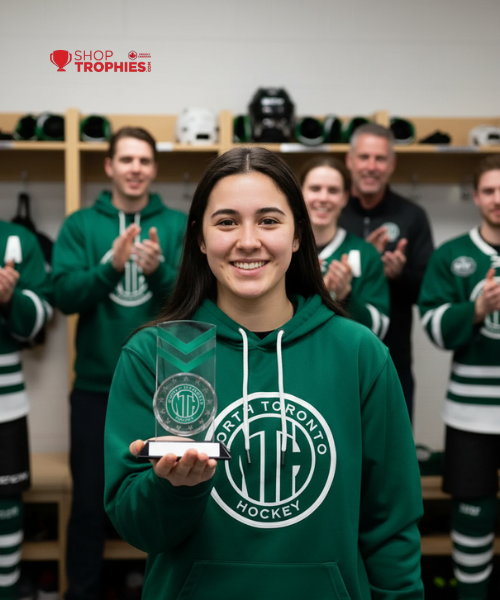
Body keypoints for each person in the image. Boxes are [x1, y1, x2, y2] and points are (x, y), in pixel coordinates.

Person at [104, 147, 423, 600]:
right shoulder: (157, 353)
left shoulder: (359, 354)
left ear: (297, 235)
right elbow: (137, 528)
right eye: (227, 221)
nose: (248, 240)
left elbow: (391, 527)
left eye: (270, 221)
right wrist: (171, 488)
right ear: (199, 237)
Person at [51, 126, 187, 600]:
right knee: (89, 504)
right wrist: (111, 266)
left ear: (154, 169)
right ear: (109, 166)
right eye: (126, 160)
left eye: (144, 161)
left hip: (166, 390)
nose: (135, 169)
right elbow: (63, 296)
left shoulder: (175, 225)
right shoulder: (80, 226)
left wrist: (160, 272)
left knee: (165, 498)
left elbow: (197, 303)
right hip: (95, 388)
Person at [418, 155, 500, 600]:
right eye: (489, 190)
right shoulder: (453, 255)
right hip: (471, 413)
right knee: (473, 511)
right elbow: (432, 325)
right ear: (475, 196)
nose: (497, 199)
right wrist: (477, 310)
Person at [338, 123, 434, 420]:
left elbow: (428, 291)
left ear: (391, 164)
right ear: (350, 161)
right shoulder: (330, 212)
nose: (371, 166)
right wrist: (366, 264)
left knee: (393, 455)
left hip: (392, 358)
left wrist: (398, 274)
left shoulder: (411, 215)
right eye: (364, 157)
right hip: (334, 356)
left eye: (380, 159)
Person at [0, 222, 52, 600]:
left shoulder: (16, 239)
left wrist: (10, 297)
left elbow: (37, 322)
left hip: (6, 401)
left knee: (6, 502)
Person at [299, 156, 390, 339]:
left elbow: (378, 329)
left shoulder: (366, 253)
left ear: (344, 198)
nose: (323, 198)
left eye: (333, 191)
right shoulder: (282, 249)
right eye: (315, 189)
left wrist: (346, 296)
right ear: (300, 193)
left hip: (345, 362)